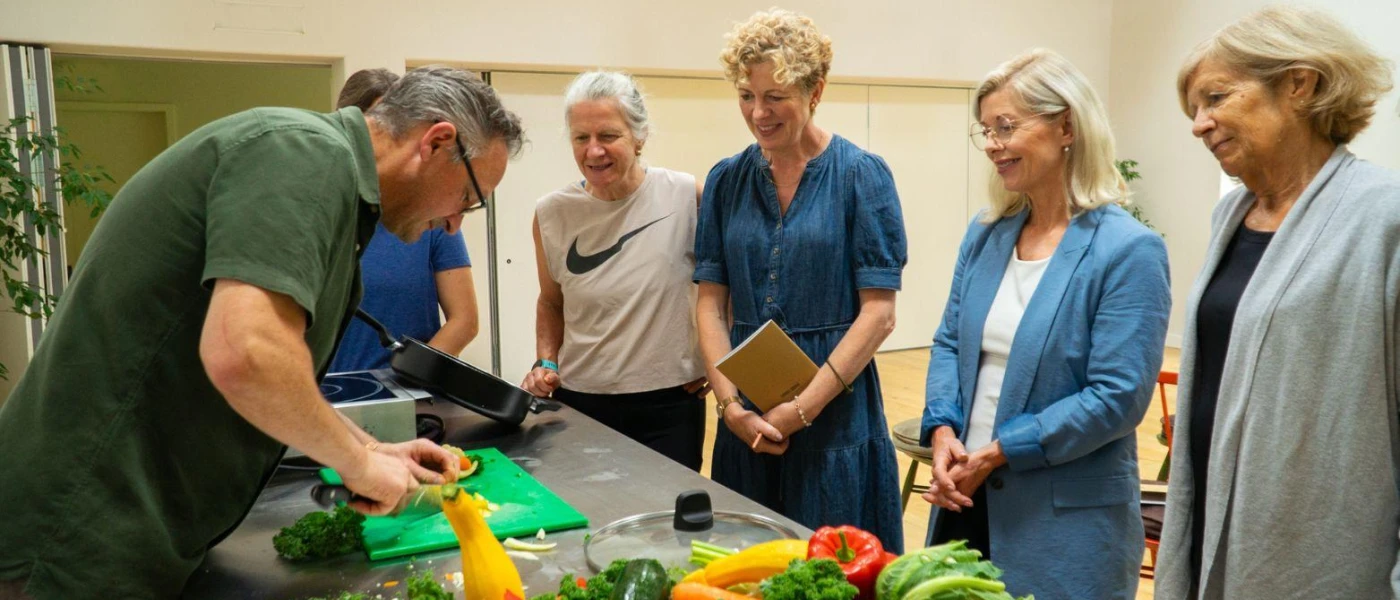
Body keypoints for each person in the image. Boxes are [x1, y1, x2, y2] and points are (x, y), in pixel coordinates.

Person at [0, 65, 524, 599]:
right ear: (437, 142)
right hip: (73, 536)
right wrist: (359, 463)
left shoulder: (327, 176)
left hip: (123, 530)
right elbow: (247, 353)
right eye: (468, 196)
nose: (457, 222)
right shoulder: (305, 155)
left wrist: (375, 450)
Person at [1156, 7, 1398, 599]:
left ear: (1299, 83)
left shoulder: (1384, 218)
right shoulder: (1230, 216)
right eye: (1194, 109)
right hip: (1210, 515)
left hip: (1314, 550)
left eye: (1216, 98)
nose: (1199, 124)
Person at [919, 49, 1171, 600]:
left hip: (1064, 524)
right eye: (984, 130)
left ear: (1067, 126)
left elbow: (1117, 397)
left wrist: (996, 452)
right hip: (965, 496)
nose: (992, 144)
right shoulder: (986, 234)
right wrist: (942, 433)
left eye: (1006, 126)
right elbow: (947, 343)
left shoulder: (1128, 250)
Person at [694, 9, 908, 552]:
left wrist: (802, 408)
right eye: (746, 95)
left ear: (817, 89)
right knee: (746, 567)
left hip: (835, 410)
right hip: (745, 409)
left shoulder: (861, 175)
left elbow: (879, 313)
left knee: (836, 566)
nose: (758, 113)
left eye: (776, 96)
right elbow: (709, 304)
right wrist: (731, 408)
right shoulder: (725, 180)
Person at [519, 71, 710, 471]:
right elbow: (551, 302)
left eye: (608, 136)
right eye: (580, 138)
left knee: (665, 523)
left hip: (670, 404)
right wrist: (546, 363)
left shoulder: (686, 196)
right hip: (581, 400)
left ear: (639, 137)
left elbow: (724, 290)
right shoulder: (551, 213)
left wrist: (720, 362)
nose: (594, 151)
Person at [329, 68, 480, 372]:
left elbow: (464, 321)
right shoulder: (323, 212)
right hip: (330, 394)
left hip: (410, 397)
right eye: (373, 127)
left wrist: (408, 381)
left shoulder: (435, 219)